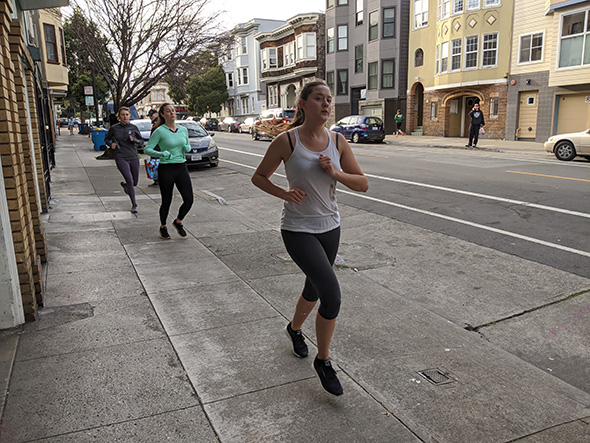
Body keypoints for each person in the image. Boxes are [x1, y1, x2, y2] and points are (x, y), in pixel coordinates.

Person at [251, 80, 369, 396]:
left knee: (312, 288)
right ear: (303, 103)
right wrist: (284, 193)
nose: (326, 104)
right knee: (331, 295)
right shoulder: (286, 141)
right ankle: (324, 360)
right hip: (298, 230)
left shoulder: (338, 141)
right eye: (319, 98)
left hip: (330, 227)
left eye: (329, 99)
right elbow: (258, 177)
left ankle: (294, 329)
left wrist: (335, 174)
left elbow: (362, 183)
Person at [144, 103, 193, 239]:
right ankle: (163, 226)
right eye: (168, 111)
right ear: (162, 114)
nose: (172, 113)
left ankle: (178, 221)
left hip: (181, 167)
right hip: (166, 168)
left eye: (173, 111)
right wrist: (161, 153)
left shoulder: (183, 130)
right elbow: (147, 149)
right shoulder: (159, 131)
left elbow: (187, 144)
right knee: (167, 200)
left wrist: (187, 148)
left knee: (189, 199)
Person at [104, 107, 143, 214]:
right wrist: (111, 144)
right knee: (130, 180)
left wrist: (134, 139)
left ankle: (127, 187)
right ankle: (134, 204)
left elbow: (141, 141)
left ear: (129, 116)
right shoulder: (114, 128)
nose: (125, 117)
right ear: (119, 116)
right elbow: (106, 138)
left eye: (127, 114)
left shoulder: (133, 127)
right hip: (121, 156)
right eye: (122, 115)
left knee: (134, 182)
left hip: (133, 156)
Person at [148, 109, 160, 186]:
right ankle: (156, 179)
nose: (150, 117)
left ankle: (157, 180)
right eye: (149, 116)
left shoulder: (158, 123)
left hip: (157, 148)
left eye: (151, 115)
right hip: (155, 148)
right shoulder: (155, 123)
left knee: (156, 164)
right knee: (155, 164)